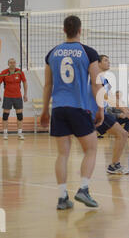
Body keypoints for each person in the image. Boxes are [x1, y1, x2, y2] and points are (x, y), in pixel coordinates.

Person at [40, 15, 104, 210]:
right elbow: (95, 83)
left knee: (62, 154)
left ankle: (62, 198)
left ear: (64, 30)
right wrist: (100, 108)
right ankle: (83, 189)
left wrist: (44, 110)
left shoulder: (52, 53)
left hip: (58, 108)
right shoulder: (89, 52)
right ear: (80, 29)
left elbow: (48, 85)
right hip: (78, 108)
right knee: (91, 149)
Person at [88, 55, 129, 174]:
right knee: (122, 134)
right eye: (105, 60)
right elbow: (105, 97)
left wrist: (128, 109)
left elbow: (112, 96)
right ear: (98, 63)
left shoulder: (105, 80)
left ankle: (114, 165)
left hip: (101, 113)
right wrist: (123, 110)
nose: (109, 62)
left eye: (109, 60)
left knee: (122, 134)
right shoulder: (95, 78)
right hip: (95, 114)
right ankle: (114, 165)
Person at [0, 58, 28, 140]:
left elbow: (25, 82)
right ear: (8, 64)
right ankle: (5, 133)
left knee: (19, 115)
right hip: (7, 96)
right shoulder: (4, 73)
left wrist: (25, 94)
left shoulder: (19, 72)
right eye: (11, 62)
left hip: (18, 96)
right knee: (5, 115)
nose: (12, 64)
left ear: (15, 64)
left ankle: (20, 133)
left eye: (14, 62)